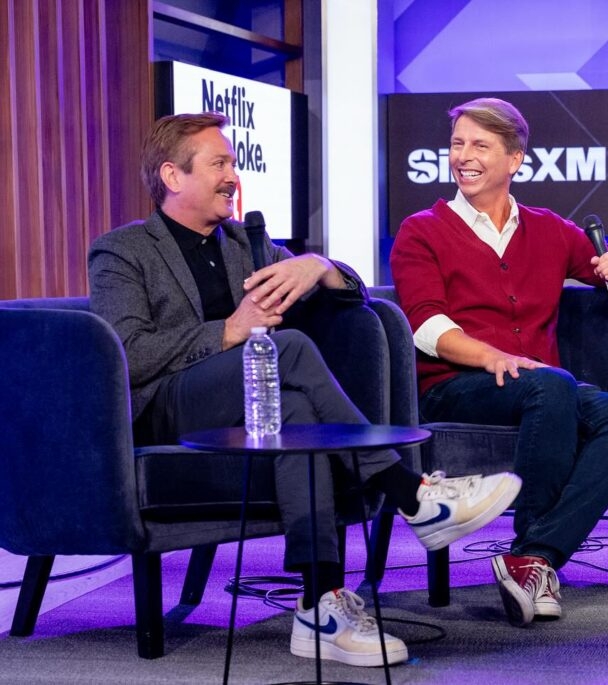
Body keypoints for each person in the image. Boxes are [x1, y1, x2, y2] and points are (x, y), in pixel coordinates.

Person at [88, 112, 522, 667]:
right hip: (169, 408)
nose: (233, 176)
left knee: (300, 418)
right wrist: (229, 331)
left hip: (253, 405)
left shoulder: (246, 243)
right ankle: (408, 490)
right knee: (286, 347)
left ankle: (322, 607)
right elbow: (125, 352)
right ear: (174, 177)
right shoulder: (123, 251)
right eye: (219, 163)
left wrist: (319, 266)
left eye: (233, 163)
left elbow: (353, 297)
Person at [390, 97, 608, 626]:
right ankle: (533, 552)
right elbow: (425, 327)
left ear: (515, 160)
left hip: (538, 383)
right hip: (457, 382)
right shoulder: (422, 229)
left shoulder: (547, 227)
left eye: (480, 146)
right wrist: (492, 354)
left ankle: (534, 555)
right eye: (457, 144)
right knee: (551, 384)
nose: (463, 156)